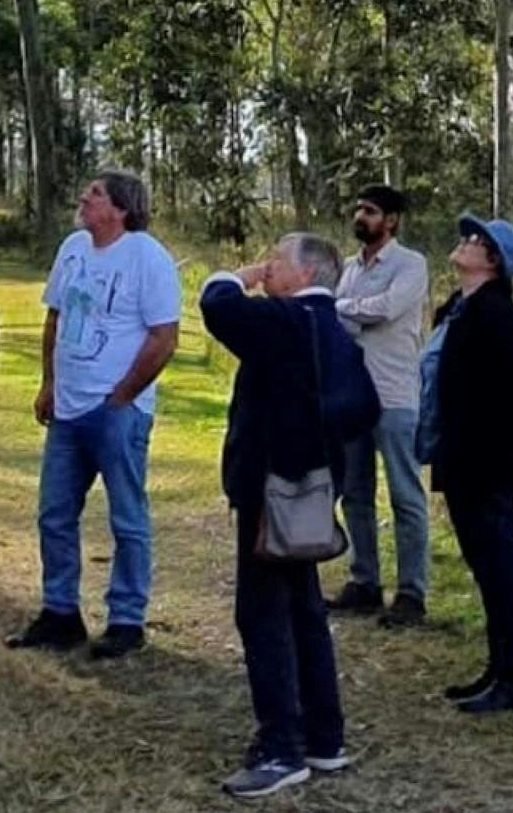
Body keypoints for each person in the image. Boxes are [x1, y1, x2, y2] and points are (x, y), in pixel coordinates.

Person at [200, 233, 358, 800]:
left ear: (307, 272)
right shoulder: (336, 331)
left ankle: (281, 748)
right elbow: (360, 408)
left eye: (277, 260)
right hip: (312, 494)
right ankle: (324, 736)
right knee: (304, 610)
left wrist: (238, 275)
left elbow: (216, 304)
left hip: (271, 492)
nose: (269, 268)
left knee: (263, 614)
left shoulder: (290, 321)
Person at [7, 170, 181, 661]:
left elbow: (164, 338)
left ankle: (127, 619)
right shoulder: (73, 247)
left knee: (127, 518)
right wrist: (48, 382)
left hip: (117, 412)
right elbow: (56, 317)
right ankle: (61, 612)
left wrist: (123, 395)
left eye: (96, 194)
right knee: (54, 514)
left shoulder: (148, 257)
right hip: (68, 408)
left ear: (122, 209)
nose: (84, 198)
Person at [421, 214, 513, 715]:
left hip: (487, 463)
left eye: (475, 240)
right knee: (486, 568)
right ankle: (498, 669)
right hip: (463, 457)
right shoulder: (459, 308)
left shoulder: (495, 313)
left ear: (493, 261)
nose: (464, 243)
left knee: (500, 569)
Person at [332, 185, 432, 626]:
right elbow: (343, 319)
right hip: (354, 395)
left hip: (394, 394)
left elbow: (387, 309)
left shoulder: (411, 264)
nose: (361, 216)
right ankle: (365, 582)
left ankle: (412, 592)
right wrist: (351, 309)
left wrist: (344, 308)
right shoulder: (350, 268)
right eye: (358, 208)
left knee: (405, 496)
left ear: (390, 221)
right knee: (355, 493)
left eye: (369, 211)